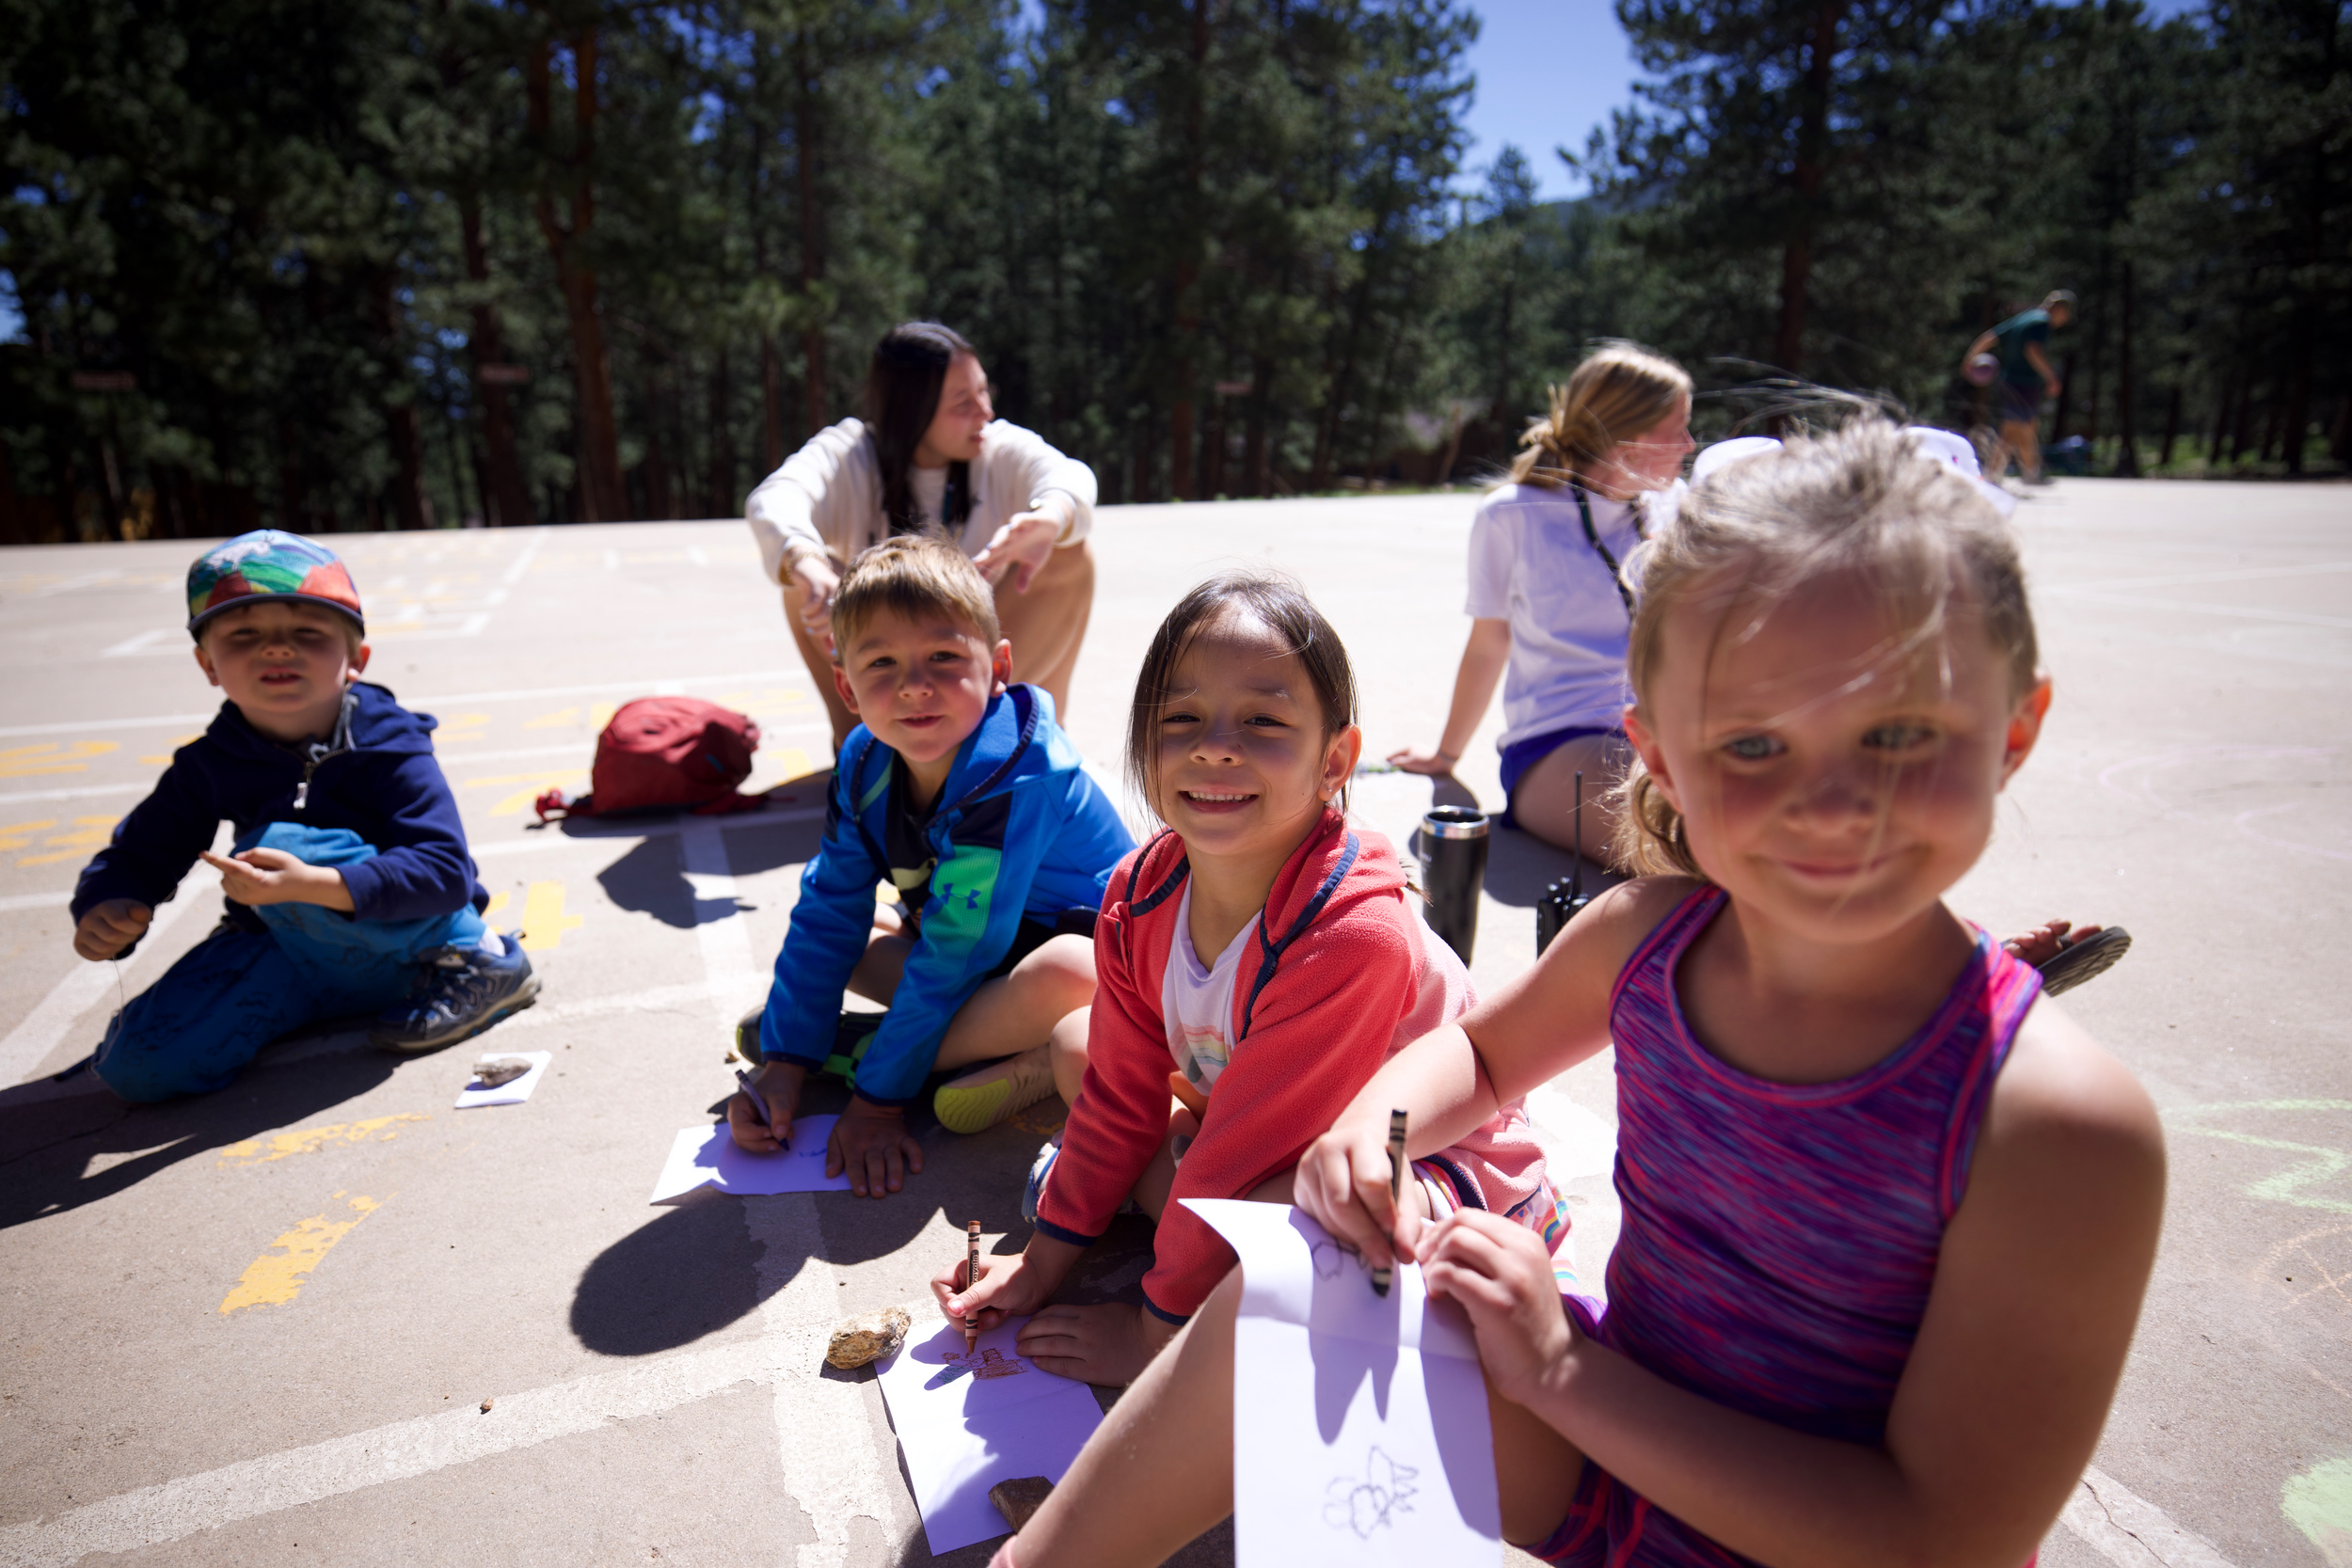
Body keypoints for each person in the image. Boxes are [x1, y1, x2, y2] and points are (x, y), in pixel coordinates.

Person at [984, 420, 2166, 1568]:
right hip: (1605, 1462)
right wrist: (1366, 1132)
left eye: (1899, 731)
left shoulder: (2061, 1127)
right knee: (1288, 1285)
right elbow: (1482, 1057)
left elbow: (1938, 1537)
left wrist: (1561, 1371)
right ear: (1656, 750)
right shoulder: (1648, 934)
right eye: (1753, 745)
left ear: (2015, 730)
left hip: (1735, 1494)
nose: (1831, 800)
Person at [934, 571, 1558, 1386]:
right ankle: (1142, 1214)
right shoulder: (1137, 890)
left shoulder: (1352, 934)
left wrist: (1157, 1338)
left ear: (1335, 759)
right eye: (1183, 718)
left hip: (1427, 1165)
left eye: (1263, 721)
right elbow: (1123, 1095)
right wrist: (1043, 1262)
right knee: (1080, 1049)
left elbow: (1236, 1160)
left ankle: (1184, 1254)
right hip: (1255, 1118)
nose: (1215, 745)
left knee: (1285, 1210)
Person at [66, 531, 536, 1102]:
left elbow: (444, 873)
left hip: (412, 946)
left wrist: (313, 884)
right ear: (207, 663)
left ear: (356, 659)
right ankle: (317, 997)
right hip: (291, 950)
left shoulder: (391, 743)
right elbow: (139, 853)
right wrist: (107, 905)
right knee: (135, 1065)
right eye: (244, 635)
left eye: (307, 632)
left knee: (283, 842)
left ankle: (487, 965)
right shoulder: (208, 763)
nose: (276, 649)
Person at [728, 537, 1134, 1194]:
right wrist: (782, 1063)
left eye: (943, 657)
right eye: (881, 663)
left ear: (998, 665)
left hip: (1070, 961)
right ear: (847, 687)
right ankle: (1002, 1053)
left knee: (1073, 972)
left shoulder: (1018, 773)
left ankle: (866, 1051)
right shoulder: (863, 761)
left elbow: (953, 953)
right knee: (844, 934)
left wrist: (877, 1098)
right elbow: (830, 906)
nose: (914, 684)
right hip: (974, 953)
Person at [1391, 342, 1694, 866]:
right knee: (1678, 840)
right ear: (1630, 438)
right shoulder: (1511, 515)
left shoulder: (1675, 506)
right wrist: (1446, 757)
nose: (1690, 444)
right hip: (1561, 742)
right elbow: (1489, 645)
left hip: (1669, 726)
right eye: (1678, 428)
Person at [746, 322, 1098, 752]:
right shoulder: (851, 453)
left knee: (1065, 552)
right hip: (891, 680)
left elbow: (1069, 477)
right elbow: (775, 498)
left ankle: (1007, 737)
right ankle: (863, 747)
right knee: (801, 583)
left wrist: (1050, 516)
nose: (984, 411)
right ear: (913, 409)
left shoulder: (997, 447)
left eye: (985, 392)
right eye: (962, 402)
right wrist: (806, 562)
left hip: (973, 673)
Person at [1968, 291, 2074, 485]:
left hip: (2009, 381)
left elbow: (1990, 337)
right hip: (2023, 384)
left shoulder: (2023, 318)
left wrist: (1969, 359)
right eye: (2066, 315)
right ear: (2058, 309)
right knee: (2022, 428)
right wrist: (2051, 377)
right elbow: (2032, 350)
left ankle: (1996, 474)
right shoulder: (2042, 322)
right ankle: (2028, 473)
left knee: (2014, 430)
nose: (2065, 320)